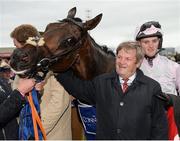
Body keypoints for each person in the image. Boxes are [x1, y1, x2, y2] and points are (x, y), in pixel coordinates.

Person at [55, 41, 168, 140]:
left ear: (138, 63)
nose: (121, 62)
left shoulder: (152, 88)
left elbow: (159, 126)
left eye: (127, 59)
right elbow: (78, 89)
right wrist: (58, 69)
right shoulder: (101, 82)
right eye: (119, 57)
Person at [10, 24, 72, 139]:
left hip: (50, 135)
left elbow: (59, 102)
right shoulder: (21, 67)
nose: (15, 51)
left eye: (17, 46)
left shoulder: (54, 64)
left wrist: (35, 130)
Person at [135, 21, 180, 96]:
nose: (151, 46)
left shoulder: (174, 67)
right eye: (146, 42)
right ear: (139, 44)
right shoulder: (132, 68)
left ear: (159, 42)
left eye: (154, 41)